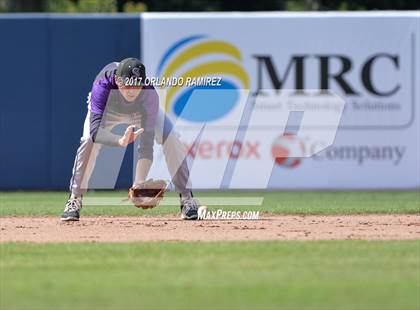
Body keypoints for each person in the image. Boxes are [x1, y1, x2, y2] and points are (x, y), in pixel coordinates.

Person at [61, 57, 199, 221]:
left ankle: (187, 198)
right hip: (108, 111)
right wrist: (120, 141)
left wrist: (139, 183)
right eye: (127, 84)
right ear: (118, 80)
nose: (132, 90)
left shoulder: (149, 94)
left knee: (171, 138)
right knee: (88, 141)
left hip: (138, 111)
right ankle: (74, 199)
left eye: (136, 84)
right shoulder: (102, 85)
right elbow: (95, 132)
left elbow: (146, 145)